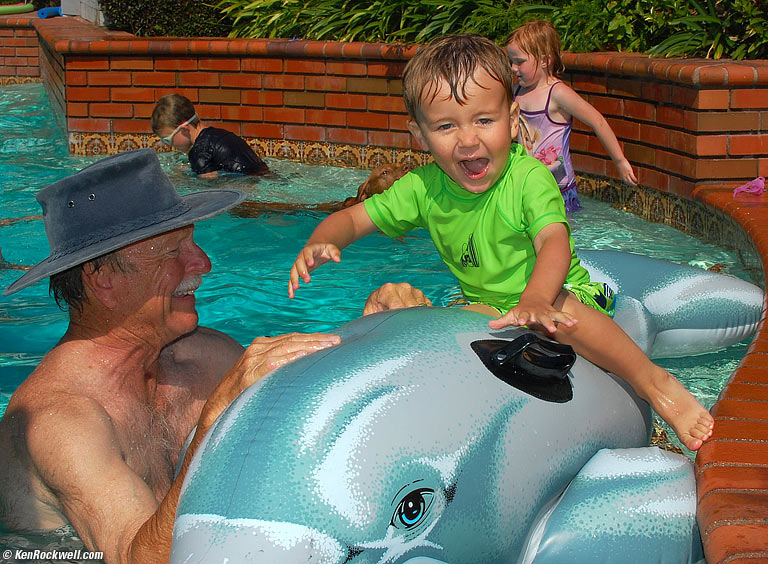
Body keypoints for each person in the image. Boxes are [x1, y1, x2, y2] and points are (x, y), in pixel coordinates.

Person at [287, 34, 713, 452]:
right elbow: (354, 217)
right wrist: (322, 240)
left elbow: (553, 241)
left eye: (484, 121)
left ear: (511, 119)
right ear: (419, 134)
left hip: (561, 294)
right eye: (446, 126)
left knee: (559, 312)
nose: (468, 140)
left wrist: (536, 298)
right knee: (434, 327)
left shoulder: (528, 179)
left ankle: (655, 383)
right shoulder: (423, 187)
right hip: (491, 309)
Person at [0, 149, 428, 563]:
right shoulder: (61, 421)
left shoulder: (201, 357)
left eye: (192, 243)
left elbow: (313, 421)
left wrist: (374, 335)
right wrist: (214, 416)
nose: (203, 263)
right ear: (103, 279)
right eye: (174, 252)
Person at [506, 20, 637, 212]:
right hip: (526, 185)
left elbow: (597, 121)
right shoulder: (516, 92)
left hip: (557, 188)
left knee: (561, 229)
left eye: (519, 62)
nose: (513, 68)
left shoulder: (557, 93)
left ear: (544, 60)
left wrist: (619, 161)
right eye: (511, 61)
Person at [151, 93, 269, 178]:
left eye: (168, 140)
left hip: (248, 189)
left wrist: (180, 178)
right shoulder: (218, 134)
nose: (169, 145)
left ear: (184, 129)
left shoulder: (199, 152)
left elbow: (209, 189)